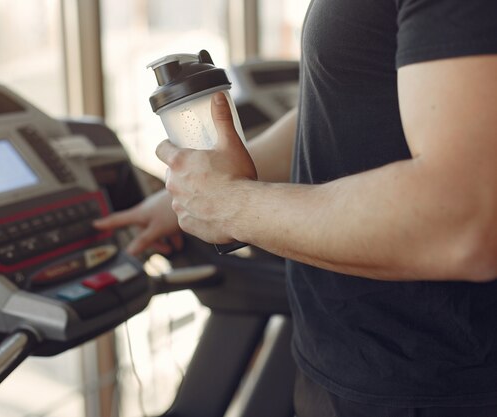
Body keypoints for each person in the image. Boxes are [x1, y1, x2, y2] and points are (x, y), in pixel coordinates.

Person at [94, 1, 497, 416]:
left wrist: (232, 205)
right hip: (350, 364)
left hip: (436, 388)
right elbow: (341, 98)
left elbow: (462, 219)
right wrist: (198, 191)